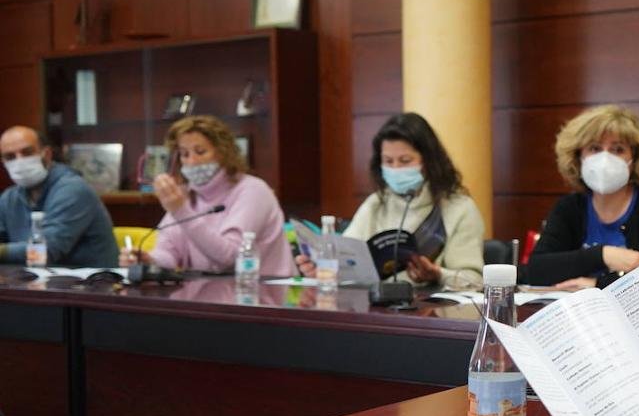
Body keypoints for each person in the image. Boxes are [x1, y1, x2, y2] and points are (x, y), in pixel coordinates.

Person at [297, 113, 484, 290]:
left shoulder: (459, 208)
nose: (395, 169)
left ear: (429, 161)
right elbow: (346, 260)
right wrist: (322, 269)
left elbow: (474, 280)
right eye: (388, 161)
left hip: (430, 315)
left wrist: (437, 274)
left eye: (405, 160)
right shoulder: (376, 203)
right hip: (374, 310)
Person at [523, 104, 639, 289]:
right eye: (594, 148)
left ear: (634, 159)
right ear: (578, 157)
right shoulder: (569, 207)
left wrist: (597, 284)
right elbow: (536, 270)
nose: (605, 159)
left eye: (618, 150)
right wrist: (602, 255)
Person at [121, 115, 292, 276]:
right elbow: (169, 252)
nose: (191, 161)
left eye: (200, 151)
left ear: (223, 152)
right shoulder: (187, 194)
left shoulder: (253, 190)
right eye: (184, 154)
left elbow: (229, 257)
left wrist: (181, 211)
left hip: (263, 294)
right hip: (208, 294)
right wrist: (148, 260)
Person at [0, 126, 118, 266]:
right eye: (10, 157)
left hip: (92, 284)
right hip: (34, 282)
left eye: (27, 153)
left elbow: (46, 250)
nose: (19, 162)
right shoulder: (9, 198)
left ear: (47, 154)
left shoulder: (73, 189)